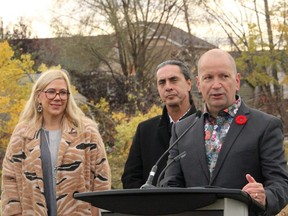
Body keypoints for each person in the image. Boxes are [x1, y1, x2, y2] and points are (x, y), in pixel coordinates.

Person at [160, 49, 288, 215]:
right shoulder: (182, 129)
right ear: (199, 84)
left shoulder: (265, 126)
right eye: (208, 78)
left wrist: (265, 197)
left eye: (224, 76)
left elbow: (281, 183)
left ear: (237, 81)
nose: (216, 85)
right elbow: (170, 184)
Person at [1, 69, 111, 215]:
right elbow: (10, 181)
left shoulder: (86, 132)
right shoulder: (22, 134)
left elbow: (102, 178)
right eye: (51, 91)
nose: (57, 97)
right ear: (38, 96)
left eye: (63, 92)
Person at [121, 60, 197, 188]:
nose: (168, 87)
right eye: (162, 82)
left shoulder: (204, 126)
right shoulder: (145, 130)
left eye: (174, 80)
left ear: (189, 84)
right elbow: (130, 178)